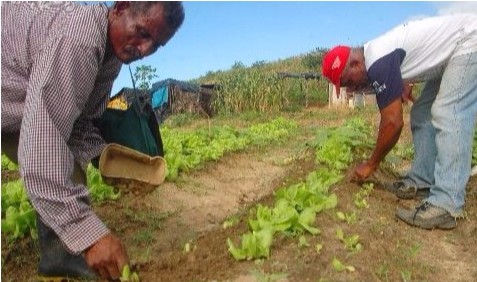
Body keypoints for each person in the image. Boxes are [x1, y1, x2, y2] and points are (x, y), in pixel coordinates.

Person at [1, 1, 184, 280]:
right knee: (53, 158)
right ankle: (70, 244)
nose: (145, 50)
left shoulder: (110, 57)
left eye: (156, 45)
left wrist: (106, 157)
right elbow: (41, 141)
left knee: (71, 170)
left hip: (15, 105)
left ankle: (58, 253)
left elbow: (79, 122)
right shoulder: (81, 39)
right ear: (121, 8)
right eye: (143, 33)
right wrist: (90, 236)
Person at [321, 14, 477, 230]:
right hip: (450, 52)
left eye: (348, 82)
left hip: (469, 41)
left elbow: (393, 123)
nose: (350, 89)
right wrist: (403, 80)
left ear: (356, 64)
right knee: (422, 112)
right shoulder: (376, 58)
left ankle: (448, 203)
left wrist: (371, 163)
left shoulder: (377, 61)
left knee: (449, 112)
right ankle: (422, 181)